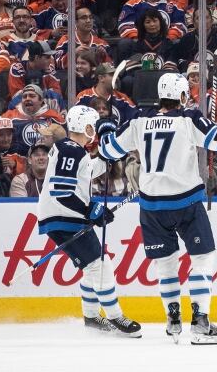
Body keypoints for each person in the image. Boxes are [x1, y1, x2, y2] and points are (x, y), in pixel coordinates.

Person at [98, 73, 217, 344]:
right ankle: (201, 322)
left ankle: (173, 319)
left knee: (166, 263)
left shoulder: (138, 119)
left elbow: (108, 150)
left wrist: (104, 128)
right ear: (182, 97)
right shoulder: (189, 118)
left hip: (151, 206)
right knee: (203, 258)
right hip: (186, 203)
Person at [37, 105, 142, 336]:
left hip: (66, 216)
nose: (94, 130)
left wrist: (107, 153)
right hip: (64, 216)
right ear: (86, 127)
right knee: (100, 265)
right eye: (93, 126)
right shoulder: (71, 150)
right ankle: (115, 317)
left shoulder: (72, 149)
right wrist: (91, 210)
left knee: (91, 266)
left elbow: (88, 171)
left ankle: (92, 316)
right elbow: (61, 192)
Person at [0, 84, 66, 156]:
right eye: (24, 97)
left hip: (46, 162)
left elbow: (63, 144)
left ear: (41, 100)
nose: (27, 98)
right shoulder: (9, 117)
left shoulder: (55, 118)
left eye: (32, 96)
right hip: (17, 164)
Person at [75, 63, 138, 127]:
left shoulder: (123, 99)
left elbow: (136, 119)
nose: (116, 78)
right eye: (112, 75)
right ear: (101, 78)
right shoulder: (83, 97)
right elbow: (76, 122)